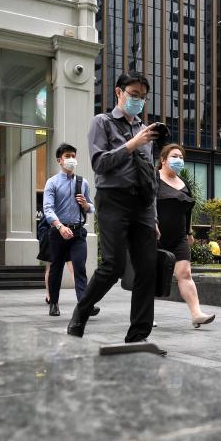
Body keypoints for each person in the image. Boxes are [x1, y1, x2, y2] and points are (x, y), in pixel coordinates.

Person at [66, 71, 160, 343]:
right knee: (114, 265)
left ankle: (138, 335)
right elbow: (99, 164)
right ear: (118, 93)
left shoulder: (145, 130)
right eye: (133, 95)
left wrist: (153, 216)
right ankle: (82, 311)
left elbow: (149, 177)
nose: (138, 101)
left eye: (142, 97)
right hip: (112, 199)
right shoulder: (102, 123)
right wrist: (132, 144)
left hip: (141, 203)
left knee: (147, 267)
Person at [156, 143, 215, 328]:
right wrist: (152, 222)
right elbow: (145, 203)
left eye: (181, 157)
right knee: (150, 276)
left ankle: (196, 314)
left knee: (185, 273)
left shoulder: (183, 183)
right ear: (163, 160)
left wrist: (189, 232)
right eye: (174, 156)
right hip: (154, 236)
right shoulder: (153, 179)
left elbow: (187, 210)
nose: (178, 160)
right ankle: (144, 315)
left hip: (179, 237)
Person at [43, 143, 96, 317]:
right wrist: (60, 226)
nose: (71, 159)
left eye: (73, 155)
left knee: (80, 267)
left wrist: (86, 204)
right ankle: (54, 303)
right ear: (60, 160)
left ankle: (84, 305)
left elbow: (91, 208)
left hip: (78, 232)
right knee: (56, 268)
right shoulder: (52, 182)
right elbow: (48, 209)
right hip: (58, 232)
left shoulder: (83, 182)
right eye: (67, 156)